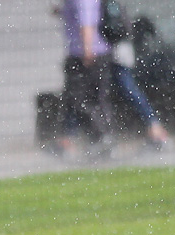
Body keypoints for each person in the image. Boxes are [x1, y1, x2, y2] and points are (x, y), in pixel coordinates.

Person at [55, 0, 114, 158]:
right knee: (86, 100)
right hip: (88, 54)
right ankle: (98, 139)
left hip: (87, 55)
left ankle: (101, 138)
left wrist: (87, 50)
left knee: (82, 100)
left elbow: (87, 23)